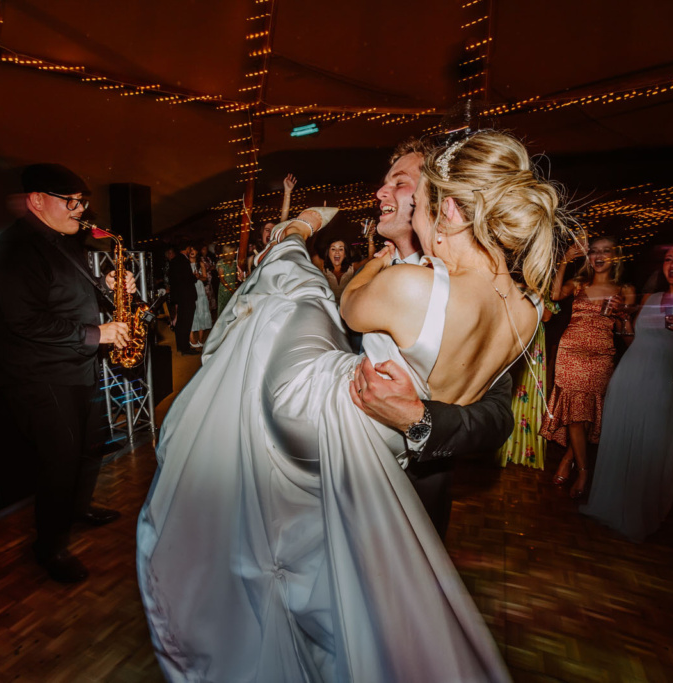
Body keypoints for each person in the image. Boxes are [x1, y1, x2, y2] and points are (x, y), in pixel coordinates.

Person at [138, 131, 571, 681]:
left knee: (296, 296)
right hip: (334, 464)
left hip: (340, 434)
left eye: (410, 187)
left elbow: (493, 414)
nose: (388, 196)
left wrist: (421, 419)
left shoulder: (413, 285)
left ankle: (291, 237)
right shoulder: (526, 306)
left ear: (449, 208)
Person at [350, 138, 517, 538]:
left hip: (414, 496)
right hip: (341, 477)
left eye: (401, 182)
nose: (380, 193)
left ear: (439, 198)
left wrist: (419, 420)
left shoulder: (481, 292)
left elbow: (497, 417)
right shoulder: (368, 274)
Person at [0, 163, 130, 583]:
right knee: (60, 461)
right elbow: (26, 322)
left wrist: (108, 285)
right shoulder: (14, 249)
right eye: (71, 202)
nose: (80, 210)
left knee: (90, 446)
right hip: (41, 375)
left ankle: (79, 508)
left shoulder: (67, 242)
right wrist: (97, 333)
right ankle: (49, 547)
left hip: (77, 365)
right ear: (37, 201)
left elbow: (71, 295)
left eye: (82, 202)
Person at [580, 243, 673, 541]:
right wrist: (623, 320)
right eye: (669, 259)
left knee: (650, 446)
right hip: (628, 375)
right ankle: (606, 506)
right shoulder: (650, 298)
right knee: (620, 439)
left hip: (663, 381)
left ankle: (637, 514)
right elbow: (632, 342)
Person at [541, 235, 636, 499]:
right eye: (594, 251)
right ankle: (584, 471)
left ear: (615, 256)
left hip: (601, 355)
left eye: (606, 251)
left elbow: (627, 336)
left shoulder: (624, 290)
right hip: (570, 350)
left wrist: (623, 316)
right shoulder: (580, 283)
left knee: (587, 413)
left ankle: (569, 460)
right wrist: (563, 261)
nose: (599, 255)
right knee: (575, 412)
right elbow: (554, 295)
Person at [497, 298, 558, 469]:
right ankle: (501, 447)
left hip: (533, 340)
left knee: (527, 390)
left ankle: (522, 449)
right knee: (507, 389)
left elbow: (546, 316)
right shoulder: (514, 281)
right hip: (513, 333)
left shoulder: (546, 290)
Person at [167, 242, 199, 355]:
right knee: (186, 322)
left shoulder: (175, 260)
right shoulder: (183, 260)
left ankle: (181, 346)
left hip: (180, 296)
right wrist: (194, 277)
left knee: (181, 322)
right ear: (187, 247)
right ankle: (185, 348)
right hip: (186, 295)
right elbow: (186, 278)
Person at [188, 244, 213, 349]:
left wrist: (199, 277)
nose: (192, 251)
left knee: (202, 312)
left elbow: (205, 278)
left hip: (200, 290)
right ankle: (191, 338)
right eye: (191, 249)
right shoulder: (185, 263)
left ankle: (200, 339)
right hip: (190, 289)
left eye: (194, 249)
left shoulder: (200, 263)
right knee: (192, 313)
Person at [214, 243, 239, 318]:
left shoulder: (234, 262)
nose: (235, 253)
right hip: (225, 288)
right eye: (233, 251)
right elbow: (222, 279)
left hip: (233, 287)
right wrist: (230, 289)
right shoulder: (221, 263)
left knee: (233, 308)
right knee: (224, 308)